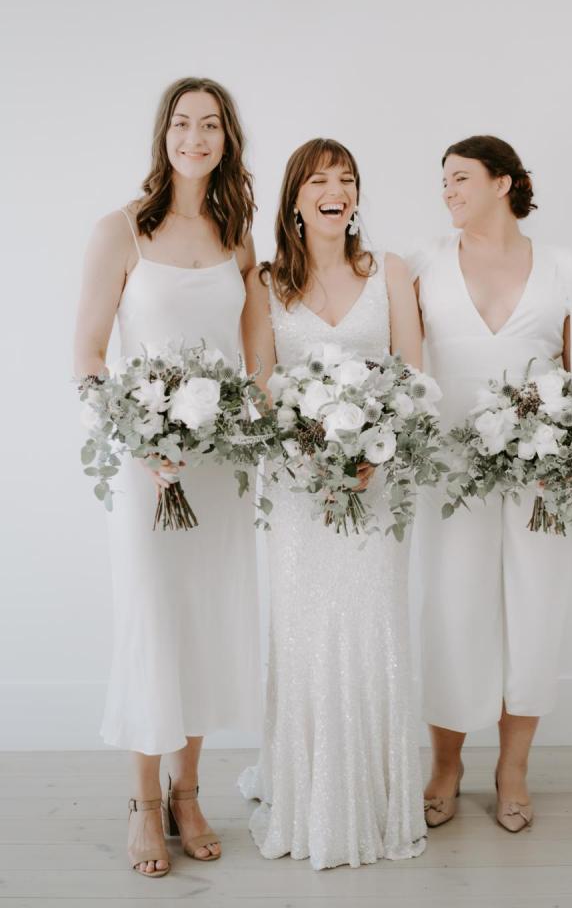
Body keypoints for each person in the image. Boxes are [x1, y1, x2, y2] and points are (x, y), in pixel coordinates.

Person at [73, 77, 260, 876]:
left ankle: (191, 792)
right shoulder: (119, 230)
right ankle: (145, 800)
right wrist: (136, 438)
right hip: (144, 469)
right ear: (164, 135)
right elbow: (86, 356)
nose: (196, 137)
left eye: (210, 125)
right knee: (153, 619)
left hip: (217, 470)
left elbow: (255, 363)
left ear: (226, 139)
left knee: (204, 619)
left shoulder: (238, 233)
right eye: (183, 124)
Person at [238, 138, 427, 870]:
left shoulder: (391, 274)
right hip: (295, 490)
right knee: (307, 634)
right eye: (320, 179)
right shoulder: (264, 282)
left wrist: (372, 455)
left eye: (347, 180)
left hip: (375, 487)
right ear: (295, 197)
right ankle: (308, 794)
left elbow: (412, 377)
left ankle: (376, 799)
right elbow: (260, 386)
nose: (336, 190)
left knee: (372, 627)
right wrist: (310, 458)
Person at [410, 135, 572, 832]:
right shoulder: (424, 262)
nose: (448, 191)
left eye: (460, 178)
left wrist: (562, 455)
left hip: (541, 471)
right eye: (444, 182)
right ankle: (446, 765)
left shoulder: (566, 266)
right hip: (450, 471)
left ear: (504, 182)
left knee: (537, 611)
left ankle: (513, 768)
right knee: (453, 613)